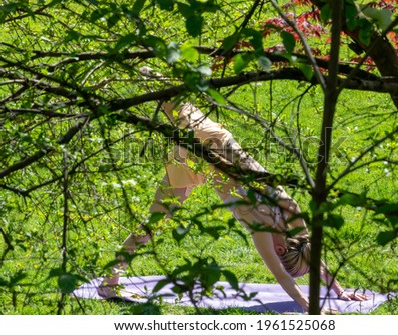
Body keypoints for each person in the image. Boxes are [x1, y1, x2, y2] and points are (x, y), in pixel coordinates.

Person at [98, 98, 369, 313]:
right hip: (204, 147)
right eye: (281, 258)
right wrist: (306, 306)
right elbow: (283, 278)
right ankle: (109, 281)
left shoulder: (290, 211)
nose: (276, 258)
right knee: (157, 217)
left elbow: (310, 253)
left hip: (217, 142)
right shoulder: (261, 227)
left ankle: (110, 281)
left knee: (173, 103)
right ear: (281, 248)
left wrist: (338, 290)